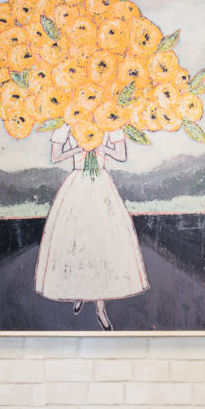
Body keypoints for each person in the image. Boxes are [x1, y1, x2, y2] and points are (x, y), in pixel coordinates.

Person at [34, 124, 150, 331]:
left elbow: (122, 155)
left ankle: (100, 308)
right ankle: (79, 291)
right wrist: (79, 148)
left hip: (101, 185)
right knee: (76, 241)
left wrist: (98, 146)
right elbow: (55, 156)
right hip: (77, 184)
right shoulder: (66, 122)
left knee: (101, 241)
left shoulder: (110, 119)